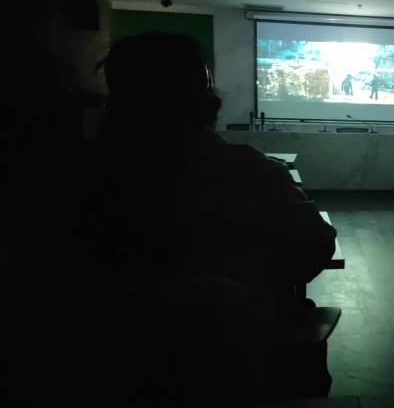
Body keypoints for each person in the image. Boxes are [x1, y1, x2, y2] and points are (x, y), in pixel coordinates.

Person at [15, 33, 336, 331]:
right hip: (236, 356)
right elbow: (316, 244)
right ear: (205, 97)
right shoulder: (248, 172)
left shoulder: (64, 179)